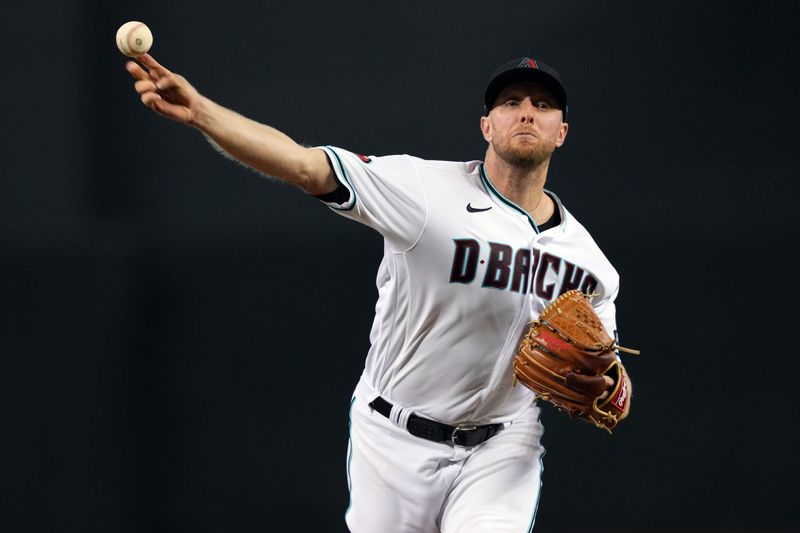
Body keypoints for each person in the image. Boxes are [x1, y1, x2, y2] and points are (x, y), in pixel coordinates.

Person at [126, 54, 633, 532]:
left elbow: (601, 365)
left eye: (543, 105)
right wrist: (202, 113)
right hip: (393, 439)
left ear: (561, 132)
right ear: (486, 126)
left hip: (502, 449)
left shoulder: (589, 265)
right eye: (511, 102)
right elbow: (306, 167)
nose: (527, 113)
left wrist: (609, 382)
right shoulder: (422, 190)